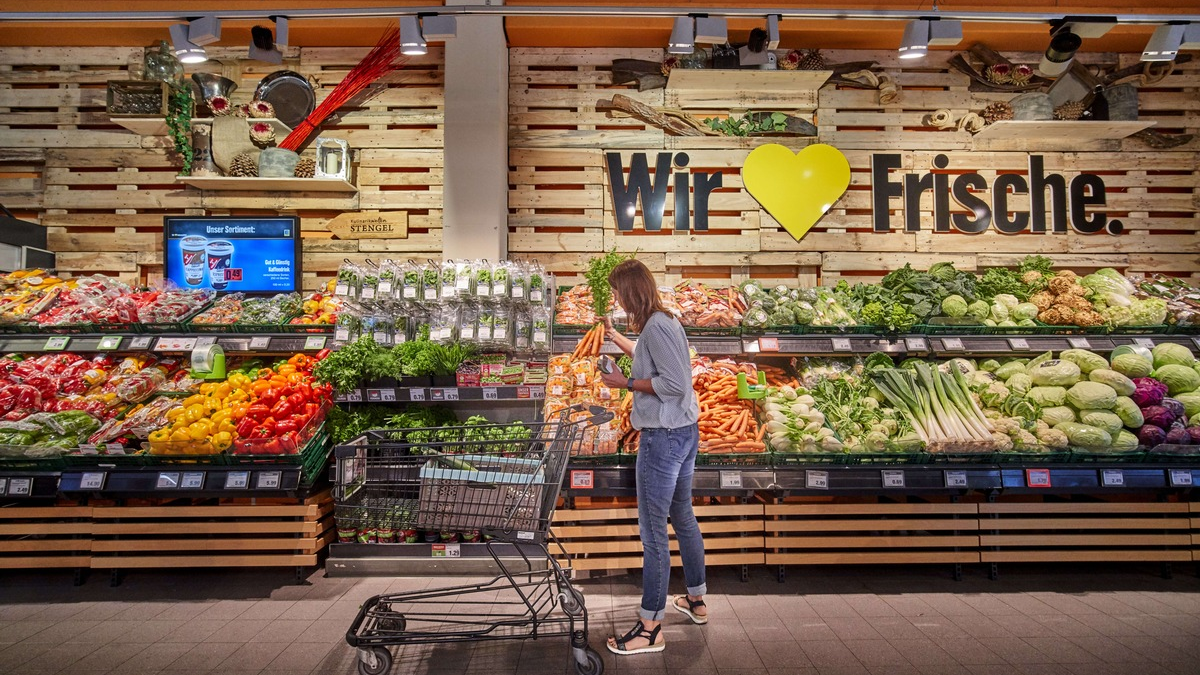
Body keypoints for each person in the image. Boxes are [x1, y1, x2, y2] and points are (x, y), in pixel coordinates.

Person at [597, 259, 707, 656]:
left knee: (654, 533)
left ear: (631, 292)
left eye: (617, 292)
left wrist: (622, 381)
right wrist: (617, 340)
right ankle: (696, 600)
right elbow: (651, 356)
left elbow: (675, 385)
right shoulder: (661, 323)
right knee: (683, 516)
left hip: (663, 437)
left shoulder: (658, 326)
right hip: (682, 432)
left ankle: (649, 629)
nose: (615, 299)